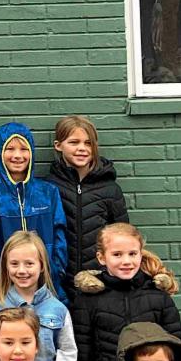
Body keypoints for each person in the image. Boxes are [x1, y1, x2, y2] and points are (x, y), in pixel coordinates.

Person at [71, 223, 181, 361]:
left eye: (132, 254)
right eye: (117, 254)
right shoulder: (87, 300)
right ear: (101, 258)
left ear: (141, 253)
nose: (126, 261)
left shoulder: (158, 297)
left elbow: (177, 352)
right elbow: (83, 357)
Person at [0, 123, 67, 294]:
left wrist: (53, 275)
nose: (17, 155)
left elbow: (59, 237)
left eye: (24, 149)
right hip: (3, 289)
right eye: (10, 149)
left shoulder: (48, 192)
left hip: (46, 287)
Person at [48, 116, 128, 297]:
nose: (82, 148)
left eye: (88, 143)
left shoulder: (110, 189)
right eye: (74, 142)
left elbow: (123, 236)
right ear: (58, 145)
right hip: (60, 281)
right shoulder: (49, 187)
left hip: (99, 281)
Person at [0, 231, 76, 361]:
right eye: (14, 264)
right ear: (6, 266)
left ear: (41, 266)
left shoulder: (57, 308)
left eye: (29, 263)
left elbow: (67, 350)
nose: (22, 270)